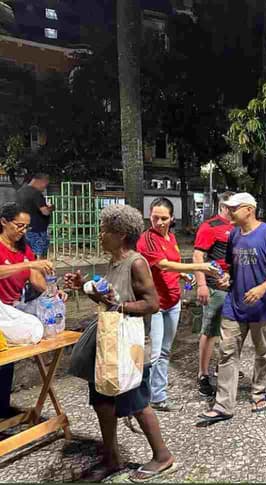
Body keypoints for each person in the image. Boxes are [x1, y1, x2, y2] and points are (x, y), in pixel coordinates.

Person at [64, 204, 174, 482]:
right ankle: (112, 459)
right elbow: (109, 299)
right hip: (107, 342)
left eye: (105, 231)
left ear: (122, 234)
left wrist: (121, 305)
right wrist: (84, 286)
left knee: (136, 402)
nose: (100, 235)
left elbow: (152, 303)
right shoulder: (112, 262)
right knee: (102, 400)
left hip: (128, 345)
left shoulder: (136, 262)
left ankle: (163, 456)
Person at [196, 193, 266, 425]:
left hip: (264, 308)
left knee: (264, 352)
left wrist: (263, 287)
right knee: (227, 353)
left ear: (249, 209)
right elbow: (231, 266)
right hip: (234, 306)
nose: (229, 212)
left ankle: (258, 393)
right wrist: (226, 278)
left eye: (234, 208)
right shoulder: (235, 234)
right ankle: (223, 405)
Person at [137, 197, 222, 411]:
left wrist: (184, 274)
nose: (159, 222)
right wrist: (199, 267)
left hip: (173, 300)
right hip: (155, 303)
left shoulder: (171, 237)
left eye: (164, 218)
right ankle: (140, 400)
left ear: (172, 218)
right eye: (155, 217)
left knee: (165, 351)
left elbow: (170, 264)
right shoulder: (147, 239)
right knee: (153, 354)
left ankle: (158, 396)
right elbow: (163, 265)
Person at [0, 202, 55, 419]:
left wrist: (52, 292)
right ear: (4, 222)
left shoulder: (24, 248)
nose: (23, 231)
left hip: (13, 309)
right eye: (19, 226)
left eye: (27, 227)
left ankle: (3, 409)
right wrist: (27, 265)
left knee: (7, 365)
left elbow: (35, 277)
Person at [193, 191, 235, 398]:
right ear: (224, 207)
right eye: (233, 206)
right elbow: (198, 255)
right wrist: (201, 284)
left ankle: (222, 367)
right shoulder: (210, 226)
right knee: (209, 331)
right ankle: (203, 374)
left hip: (235, 286)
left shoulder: (240, 226)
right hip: (214, 286)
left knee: (230, 331)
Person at [15, 174, 54, 258]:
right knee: (38, 256)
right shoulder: (36, 193)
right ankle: (37, 270)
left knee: (26, 254)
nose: (44, 188)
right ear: (40, 182)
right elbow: (45, 212)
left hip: (23, 229)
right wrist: (51, 208)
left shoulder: (20, 192)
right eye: (45, 185)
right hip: (37, 230)